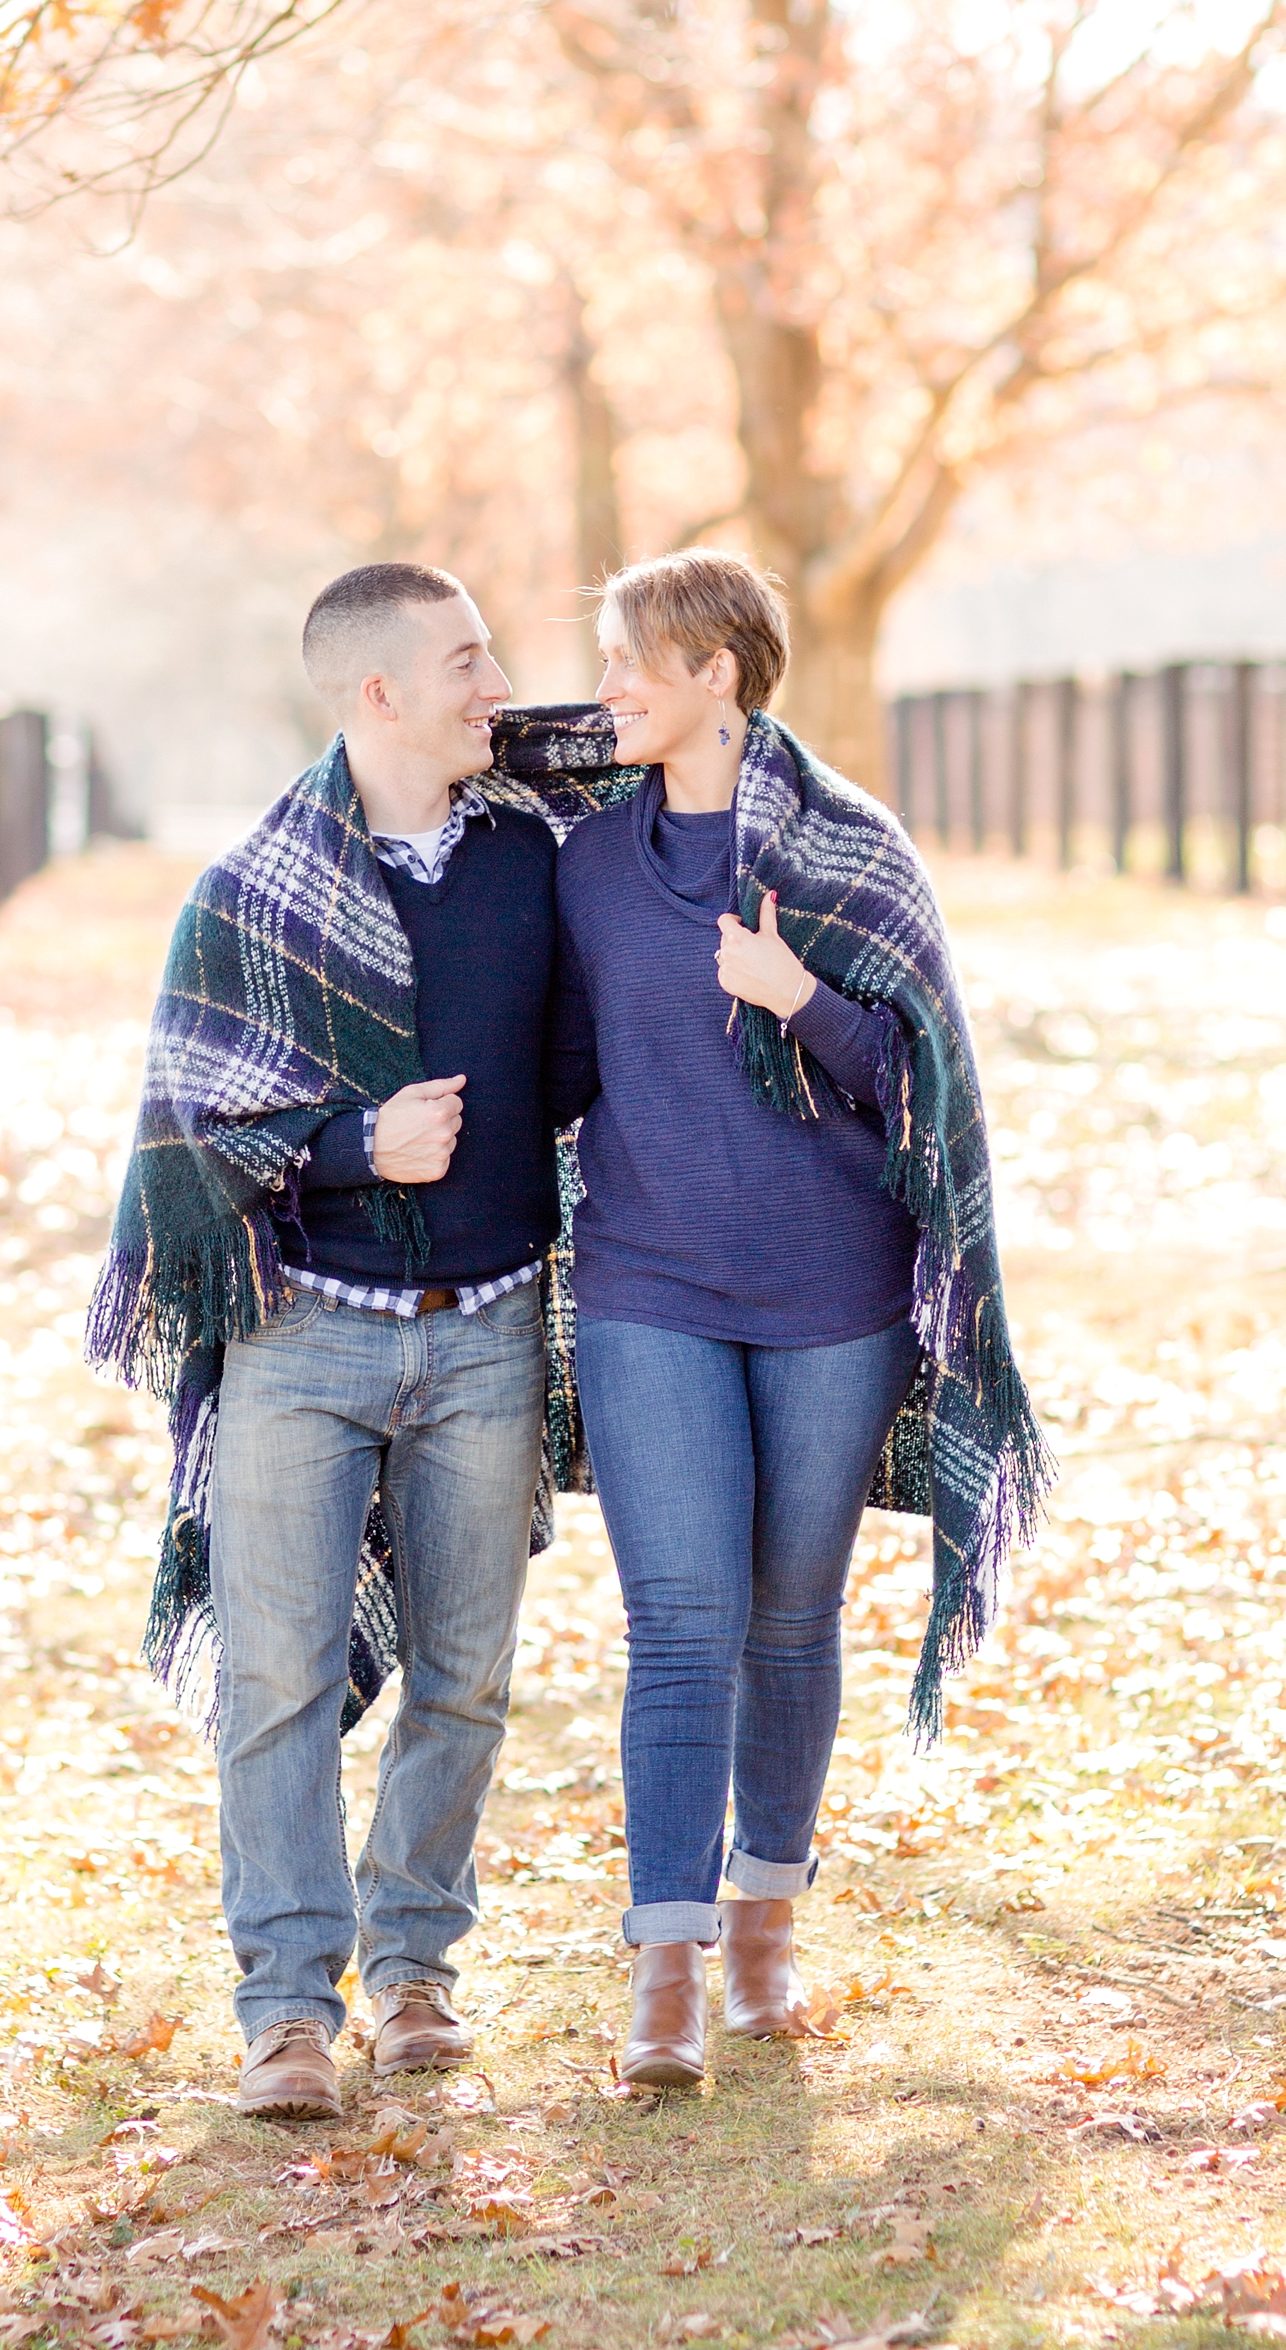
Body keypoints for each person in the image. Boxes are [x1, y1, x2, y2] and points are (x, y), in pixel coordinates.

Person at [87, 562, 592, 2119]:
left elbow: (654, 751)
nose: (494, 681)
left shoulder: (540, 855)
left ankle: (416, 1973)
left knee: (465, 1676)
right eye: (464, 660)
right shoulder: (256, 889)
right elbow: (186, 1132)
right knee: (280, 1682)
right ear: (376, 694)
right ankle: (287, 2010)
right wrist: (355, 1143)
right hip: (304, 1337)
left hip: (493, 1328)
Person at [546, 549, 1049, 2089]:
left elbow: (933, 1094)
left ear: (719, 674)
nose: (610, 684)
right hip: (648, 1286)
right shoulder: (583, 859)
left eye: (637, 659)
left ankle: (768, 1923)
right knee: (681, 1625)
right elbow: (561, 1058)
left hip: (835, 1298)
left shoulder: (852, 853)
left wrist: (799, 998)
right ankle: (667, 1972)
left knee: (788, 1619)